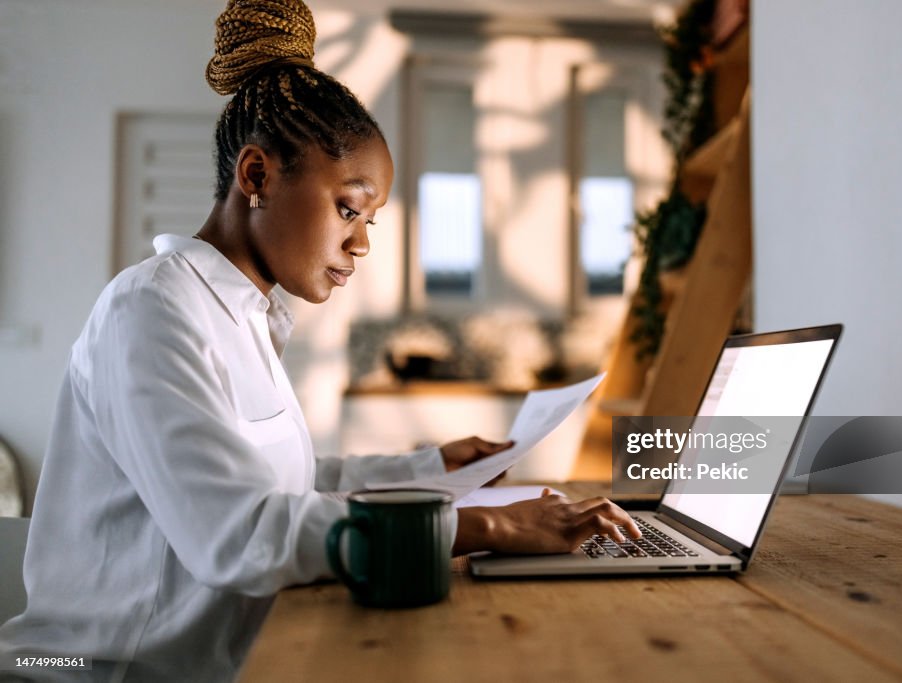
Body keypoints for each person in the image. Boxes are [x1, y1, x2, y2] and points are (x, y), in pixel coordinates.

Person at [0, 1, 640, 680]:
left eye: (370, 218)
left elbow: (290, 484)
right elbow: (237, 532)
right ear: (257, 176)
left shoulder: (247, 315)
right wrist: (488, 526)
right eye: (348, 207)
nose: (361, 242)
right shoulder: (152, 310)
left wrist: (432, 469)